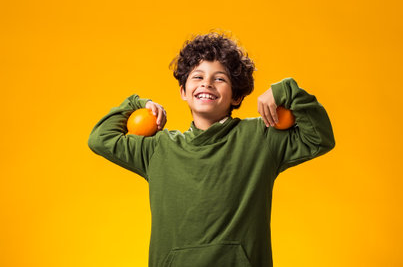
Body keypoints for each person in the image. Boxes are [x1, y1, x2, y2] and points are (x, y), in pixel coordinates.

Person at [87, 31, 335, 267]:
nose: (207, 84)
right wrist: (139, 103)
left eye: (220, 78)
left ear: (236, 96)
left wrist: (285, 91)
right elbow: (100, 138)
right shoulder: (158, 149)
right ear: (183, 92)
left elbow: (319, 138)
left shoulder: (261, 138)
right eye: (197, 77)